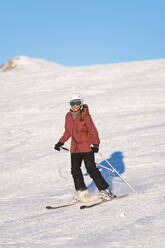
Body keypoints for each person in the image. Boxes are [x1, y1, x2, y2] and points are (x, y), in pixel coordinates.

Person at [54, 93, 114, 203]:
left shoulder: (86, 116)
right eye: (73, 103)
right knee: (75, 171)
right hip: (75, 149)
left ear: (81, 103)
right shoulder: (68, 116)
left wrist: (95, 144)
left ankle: (105, 191)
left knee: (91, 170)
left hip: (87, 147)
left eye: (77, 103)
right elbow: (68, 131)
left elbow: (93, 131)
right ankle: (82, 193)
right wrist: (60, 142)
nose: (75, 105)